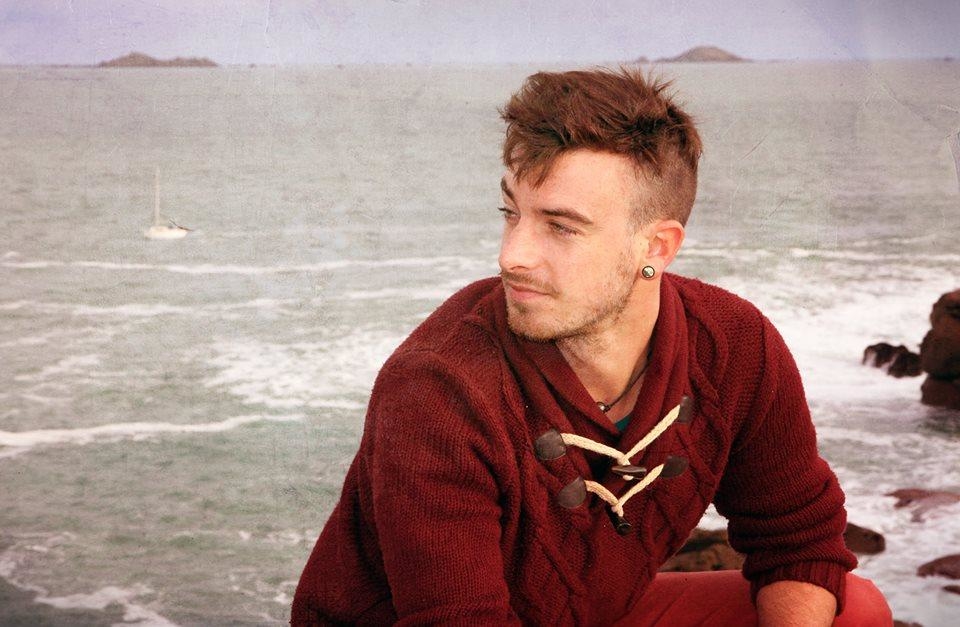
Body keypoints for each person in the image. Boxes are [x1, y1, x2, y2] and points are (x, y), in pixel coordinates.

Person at [292, 67, 892, 625]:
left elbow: (797, 539)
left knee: (855, 608)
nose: (511, 255)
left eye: (560, 226)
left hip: (589, 613)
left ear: (656, 247)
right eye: (511, 213)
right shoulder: (438, 388)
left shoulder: (732, 342)